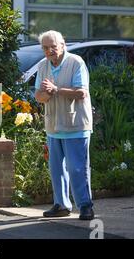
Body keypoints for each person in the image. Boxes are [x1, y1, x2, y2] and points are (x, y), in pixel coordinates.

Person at [34, 30, 94, 220]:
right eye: (45, 47)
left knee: (78, 168)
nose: (49, 50)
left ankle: (85, 206)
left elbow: (81, 93)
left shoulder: (76, 62)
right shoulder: (43, 65)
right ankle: (61, 205)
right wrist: (47, 94)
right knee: (56, 169)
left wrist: (56, 90)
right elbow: (38, 96)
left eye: (53, 46)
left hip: (75, 125)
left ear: (63, 45)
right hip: (53, 126)